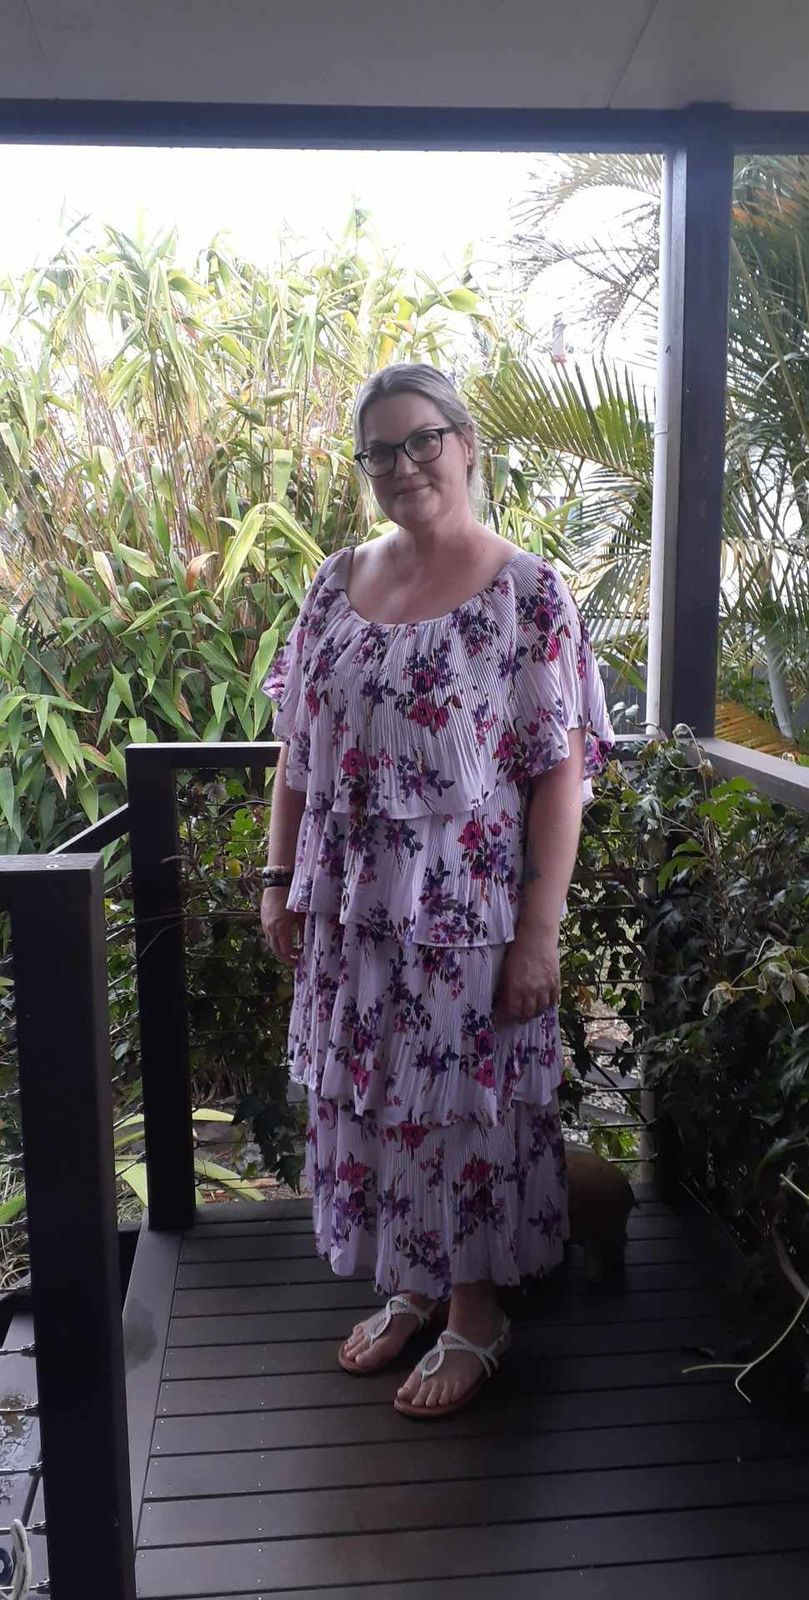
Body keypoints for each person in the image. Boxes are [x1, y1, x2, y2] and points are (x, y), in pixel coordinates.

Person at [260, 362, 615, 1419]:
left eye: (421, 439)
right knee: (373, 1098)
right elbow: (295, 754)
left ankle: (475, 1312)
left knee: (464, 1114)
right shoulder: (334, 583)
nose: (402, 464)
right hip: (350, 912)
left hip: (468, 916)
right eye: (379, 450)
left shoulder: (526, 592)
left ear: (464, 444)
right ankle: (409, 1284)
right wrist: (278, 878)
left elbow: (557, 776)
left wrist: (539, 933)